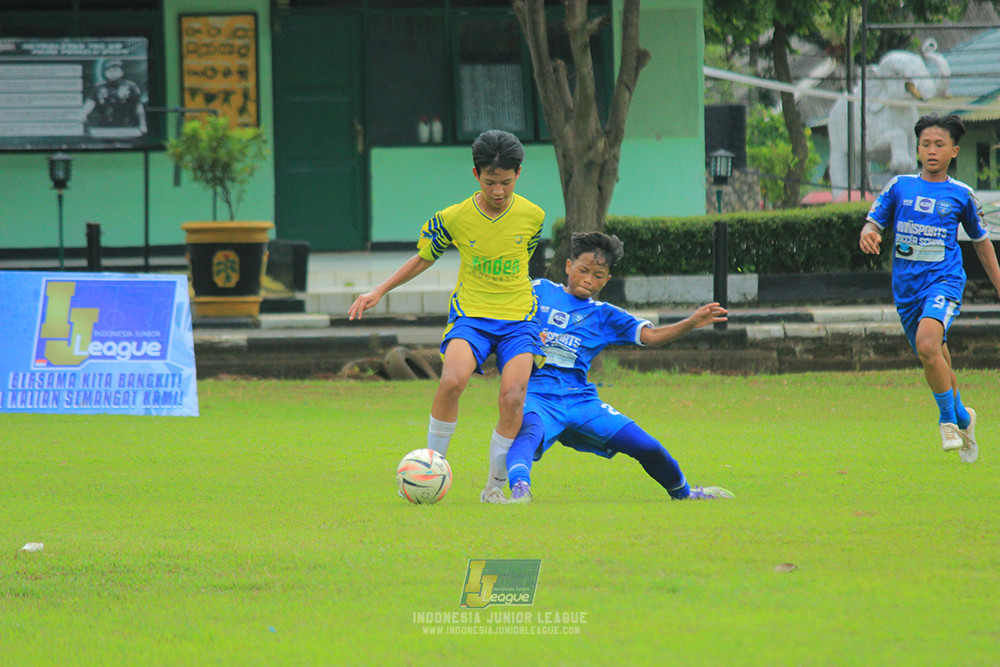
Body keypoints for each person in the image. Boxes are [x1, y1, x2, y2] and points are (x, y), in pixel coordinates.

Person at [348, 129, 544, 503]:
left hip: (520, 319)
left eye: (505, 182)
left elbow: (524, 264)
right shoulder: (453, 218)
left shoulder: (533, 216)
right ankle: (428, 470)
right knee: (452, 380)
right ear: (475, 175)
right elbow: (423, 257)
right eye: (490, 182)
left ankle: (494, 488)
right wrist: (378, 291)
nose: (498, 191)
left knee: (514, 395)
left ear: (518, 174)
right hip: (471, 316)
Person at [504, 232, 734, 503]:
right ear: (568, 266)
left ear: (607, 280)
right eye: (583, 270)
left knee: (647, 446)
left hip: (580, 400)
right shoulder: (539, 290)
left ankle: (684, 494)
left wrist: (690, 323)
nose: (589, 279)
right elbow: (504, 318)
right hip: (536, 394)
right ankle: (520, 490)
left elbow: (651, 337)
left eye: (599, 275)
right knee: (528, 432)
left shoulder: (605, 314)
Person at [860, 113, 1000, 463]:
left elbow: (982, 243)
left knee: (927, 344)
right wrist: (869, 232)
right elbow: (873, 222)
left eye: (939, 144)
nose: (932, 150)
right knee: (934, 356)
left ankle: (948, 422)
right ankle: (965, 417)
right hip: (906, 289)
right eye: (925, 144)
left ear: (954, 150)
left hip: (945, 282)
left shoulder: (962, 195)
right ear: (918, 149)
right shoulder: (899, 186)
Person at [80, 59, 148, 135]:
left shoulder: (131, 87)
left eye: (115, 70)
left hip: (126, 125)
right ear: (105, 72)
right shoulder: (99, 88)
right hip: (105, 126)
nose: (113, 73)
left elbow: (138, 107)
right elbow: (89, 104)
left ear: (122, 72)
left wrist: (143, 124)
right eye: (110, 71)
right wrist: (83, 114)